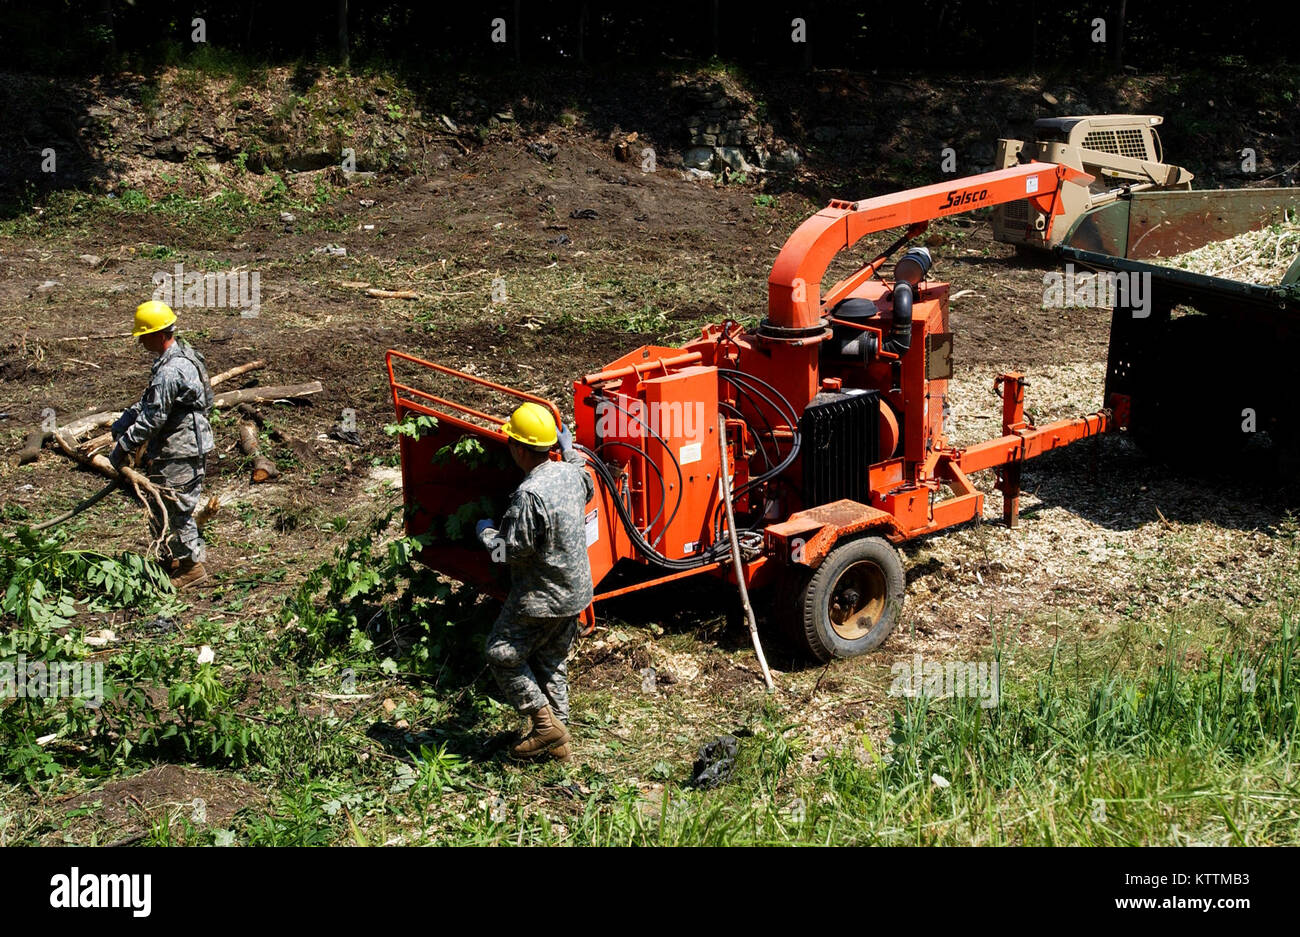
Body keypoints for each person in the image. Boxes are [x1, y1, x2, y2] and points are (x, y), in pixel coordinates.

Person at [476, 402, 594, 762]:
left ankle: (545, 726)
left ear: (519, 449)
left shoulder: (528, 495)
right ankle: (560, 744)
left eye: (512, 440)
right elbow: (585, 481)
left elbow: (510, 552)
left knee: (501, 653)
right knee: (551, 662)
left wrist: (485, 533)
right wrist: (570, 448)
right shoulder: (570, 474)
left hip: (542, 599)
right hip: (577, 593)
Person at [109, 301, 214, 589]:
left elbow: (153, 420)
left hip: (181, 449)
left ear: (158, 334)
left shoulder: (171, 371)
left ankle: (193, 568)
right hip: (179, 446)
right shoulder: (184, 358)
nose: (140, 341)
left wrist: (124, 446)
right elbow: (149, 403)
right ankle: (173, 560)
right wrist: (123, 421)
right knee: (162, 506)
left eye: (143, 335)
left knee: (176, 508)